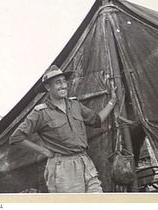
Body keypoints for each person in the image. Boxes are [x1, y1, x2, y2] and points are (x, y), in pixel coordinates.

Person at [9, 65, 117, 193]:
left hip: (85, 162)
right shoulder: (41, 112)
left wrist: (112, 101)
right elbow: (16, 138)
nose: (63, 85)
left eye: (64, 81)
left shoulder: (75, 105)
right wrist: (44, 151)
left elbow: (96, 120)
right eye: (58, 83)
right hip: (62, 169)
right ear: (48, 87)